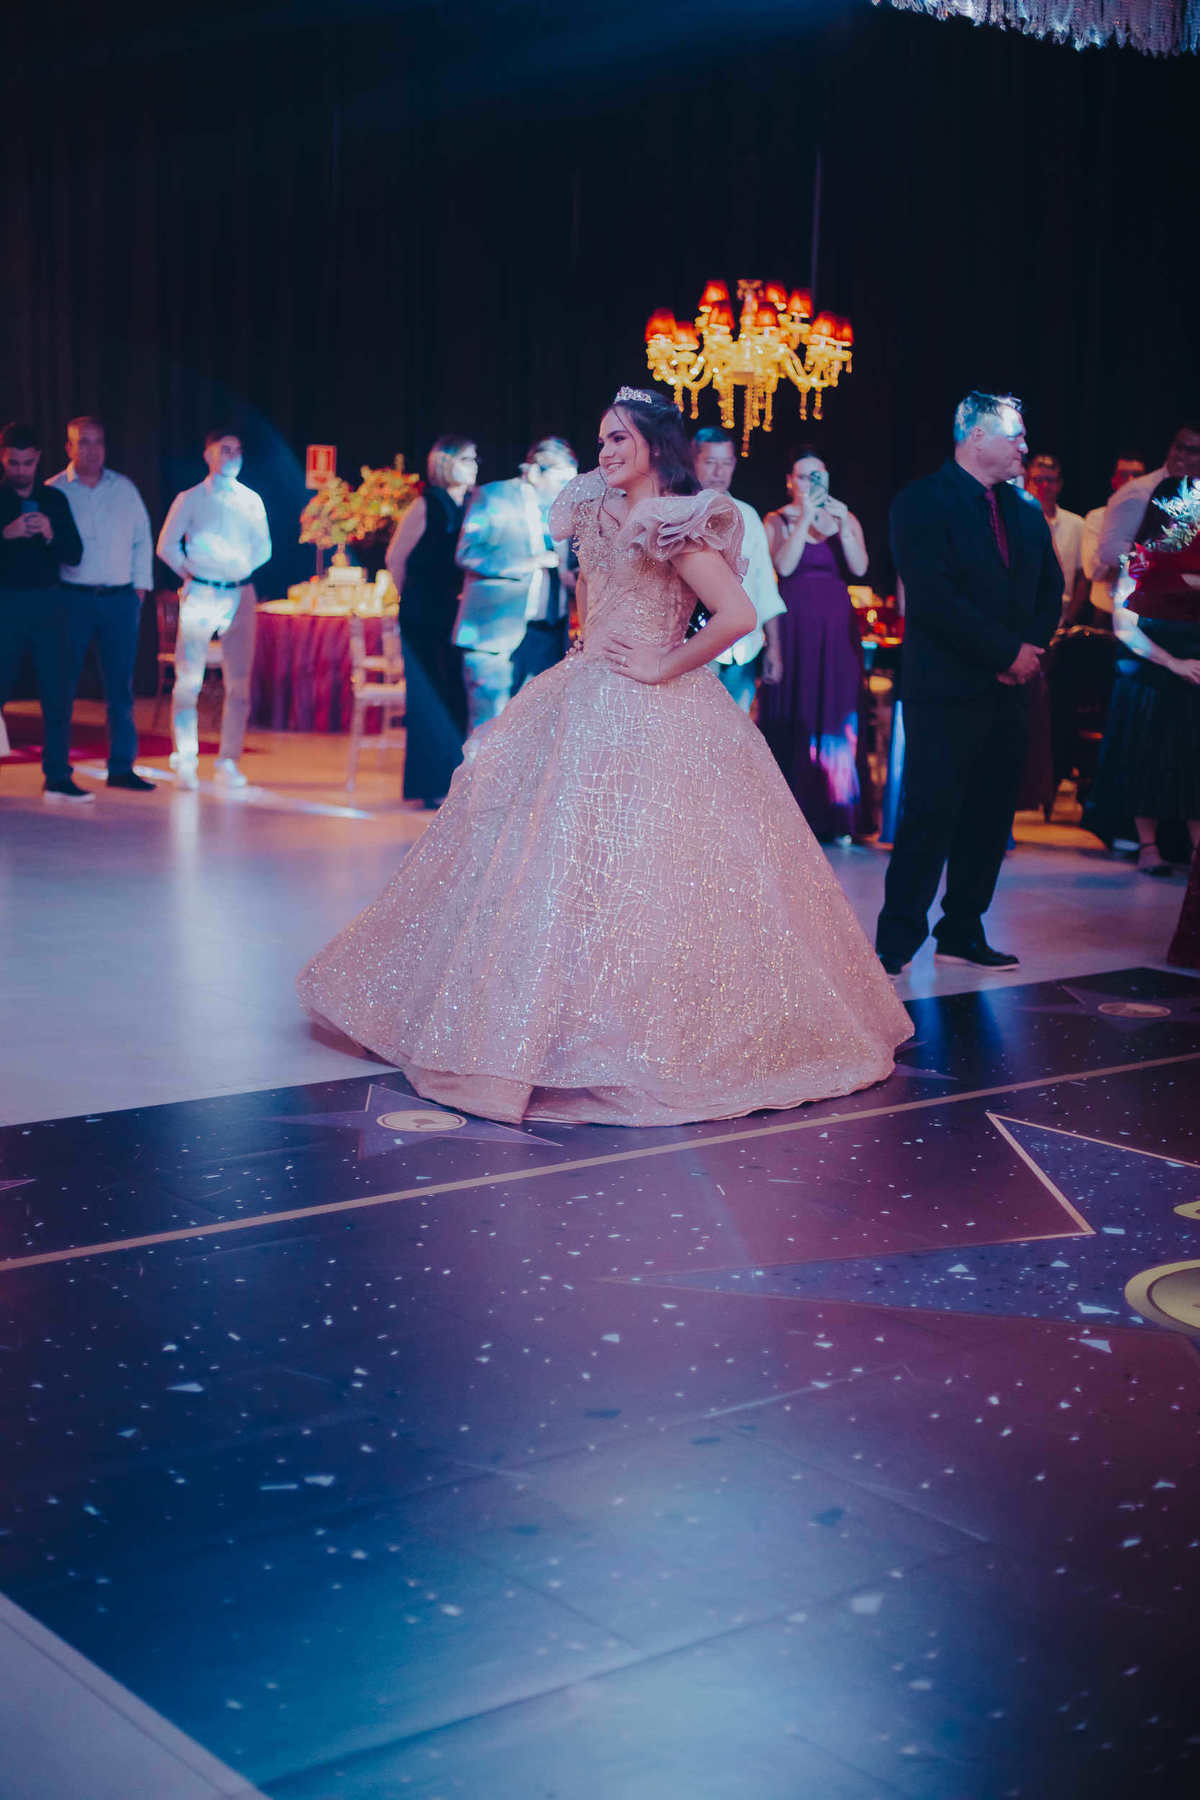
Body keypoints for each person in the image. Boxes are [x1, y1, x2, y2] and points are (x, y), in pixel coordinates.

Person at [299, 387, 911, 1127]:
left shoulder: (679, 520)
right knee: (554, 864)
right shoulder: (591, 511)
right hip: (585, 695)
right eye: (601, 440)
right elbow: (591, 600)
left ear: (655, 445)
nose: (606, 451)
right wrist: (589, 649)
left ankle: (640, 1037)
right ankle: (532, 1027)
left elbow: (738, 614)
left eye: (620, 438)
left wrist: (663, 662)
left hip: (659, 705)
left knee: (654, 868)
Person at [875, 392, 1063, 975]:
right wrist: (1006, 653)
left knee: (990, 817)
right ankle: (896, 941)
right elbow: (935, 600)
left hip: (1009, 691)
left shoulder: (1025, 511)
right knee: (929, 815)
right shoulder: (920, 503)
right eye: (1016, 436)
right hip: (945, 690)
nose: (1025, 447)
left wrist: (1028, 652)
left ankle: (963, 929)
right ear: (976, 436)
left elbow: (1051, 590)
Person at [1089, 474, 1200, 876]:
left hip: (1194, 675)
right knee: (1147, 761)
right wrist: (1173, 663)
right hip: (1152, 675)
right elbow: (1125, 627)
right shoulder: (1142, 561)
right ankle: (1148, 845)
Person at [758, 446, 870, 842]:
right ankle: (791, 818)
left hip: (837, 631)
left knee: (839, 713)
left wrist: (843, 525)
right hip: (795, 630)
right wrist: (805, 518)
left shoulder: (844, 517)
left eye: (817, 476)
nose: (811, 483)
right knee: (797, 709)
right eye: (804, 477)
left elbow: (860, 568)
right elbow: (783, 566)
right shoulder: (776, 519)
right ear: (790, 481)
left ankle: (838, 813)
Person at [157, 430, 271, 789]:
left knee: (239, 683)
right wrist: (193, 573)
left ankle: (228, 760)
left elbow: (264, 547)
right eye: (225, 449)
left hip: (239, 592)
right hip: (202, 592)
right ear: (208, 455)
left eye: (237, 450)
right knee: (189, 679)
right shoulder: (190, 498)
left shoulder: (251, 500)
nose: (233, 455)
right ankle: (185, 757)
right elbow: (166, 545)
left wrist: (236, 569)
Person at [46, 416, 155, 792]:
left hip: (119, 600)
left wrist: (139, 589)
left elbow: (142, 539)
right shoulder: (54, 491)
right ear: (69, 447)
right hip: (71, 599)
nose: (92, 450)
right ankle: (57, 772)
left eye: (98, 442)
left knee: (120, 689)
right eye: (84, 442)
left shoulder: (124, 489)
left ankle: (122, 767)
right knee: (61, 688)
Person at [452, 437, 578, 732]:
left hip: (550, 633)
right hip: (496, 634)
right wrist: (529, 561)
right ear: (534, 472)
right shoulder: (493, 496)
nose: (567, 490)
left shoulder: (566, 509)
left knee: (536, 731)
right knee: (489, 730)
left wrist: (572, 576)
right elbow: (468, 553)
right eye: (561, 481)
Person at [386, 435, 476, 808]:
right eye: (466, 459)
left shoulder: (471, 503)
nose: (474, 465)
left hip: (456, 610)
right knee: (429, 695)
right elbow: (395, 558)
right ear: (445, 463)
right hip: (424, 611)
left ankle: (452, 779)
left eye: (475, 458)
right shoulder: (427, 504)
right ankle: (429, 784)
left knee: (454, 691)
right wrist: (412, 601)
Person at [0, 422, 87, 801]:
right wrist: (5, 535)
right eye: (13, 463)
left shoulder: (54, 500)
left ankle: (58, 776)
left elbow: (75, 555)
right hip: (5, 603)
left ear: (37, 459)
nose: (20, 471)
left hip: (49, 604)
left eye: (26, 463)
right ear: (2, 459)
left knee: (57, 693)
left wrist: (50, 533)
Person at [691, 426, 784, 711]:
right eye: (710, 462)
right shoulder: (679, 511)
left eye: (726, 463)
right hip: (693, 647)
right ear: (694, 461)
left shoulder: (747, 515)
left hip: (743, 651)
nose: (718, 472)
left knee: (736, 728)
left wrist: (774, 648)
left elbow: (765, 586)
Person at [1077, 454, 1146, 624]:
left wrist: (1115, 563)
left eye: (1137, 476)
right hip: (1105, 612)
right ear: (1114, 480)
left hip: (1142, 614)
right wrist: (1131, 560)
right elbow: (1093, 571)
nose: (1131, 481)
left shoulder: (1154, 516)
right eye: (1124, 475)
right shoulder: (1097, 517)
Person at [1023, 453, 1084, 620]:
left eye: (1050, 480)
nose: (1044, 486)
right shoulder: (1015, 521)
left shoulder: (1076, 524)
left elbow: (1082, 578)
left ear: (1059, 484)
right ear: (1027, 482)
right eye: (1038, 480)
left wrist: (1069, 620)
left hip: (1061, 618)